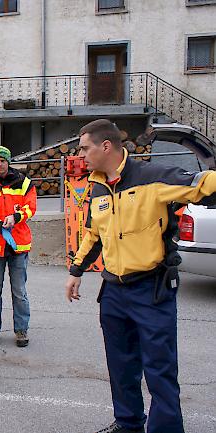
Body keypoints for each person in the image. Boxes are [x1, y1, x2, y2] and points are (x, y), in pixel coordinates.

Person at [65, 119, 216, 433]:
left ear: (105, 146)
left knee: (159, 371)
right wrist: (76, 270)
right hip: (114, 292)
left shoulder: (152, 177)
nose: (81, 155)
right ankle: (129, 423)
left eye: (85, 147)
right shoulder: (97, 188)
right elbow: (93, 234)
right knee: (121, 367)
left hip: (151, 290)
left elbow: (202, 184)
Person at [0, 145, 36, 348]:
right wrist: (0, 224)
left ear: (8, 162)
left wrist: (16, 217)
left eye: (2, 160)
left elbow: (31, 206)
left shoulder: (25, 183)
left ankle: (21, 330)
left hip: (18, 245)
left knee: (19, 291)